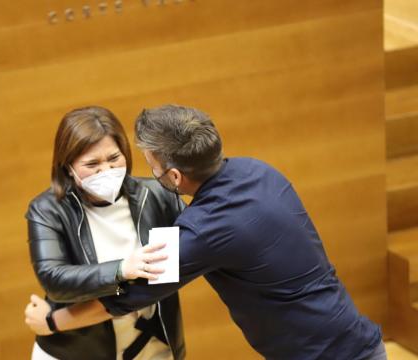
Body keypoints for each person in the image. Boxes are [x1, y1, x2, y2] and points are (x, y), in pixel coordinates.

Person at [26, 104, 387, 360]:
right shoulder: (257, 171)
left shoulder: (202, 229)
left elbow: (129, 297)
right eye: (92, 164)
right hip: (353, 334)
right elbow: (54, 274)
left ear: (175, 177)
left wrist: (52, 322)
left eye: (148, 163)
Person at [25, 106, 187, 360]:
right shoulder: (47, 210)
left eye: (114, 158)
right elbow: (53, 279)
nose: (106, 170)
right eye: (92, 164)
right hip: (77, 351)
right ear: (68, 167)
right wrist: (122, 268)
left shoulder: (158, 196)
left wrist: (55, 321)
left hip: (153, 347)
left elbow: (188, 255)